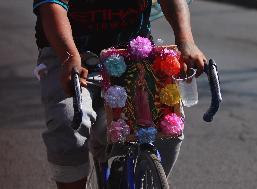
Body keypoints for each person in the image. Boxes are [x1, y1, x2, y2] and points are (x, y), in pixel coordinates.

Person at [32, 0, 206, 188]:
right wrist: (69, 56)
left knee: (166, 126)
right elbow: (52, 5)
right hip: (67, 51)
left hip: (132, 51)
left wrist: (186, 41)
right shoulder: (67, 53)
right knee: (68, 122)